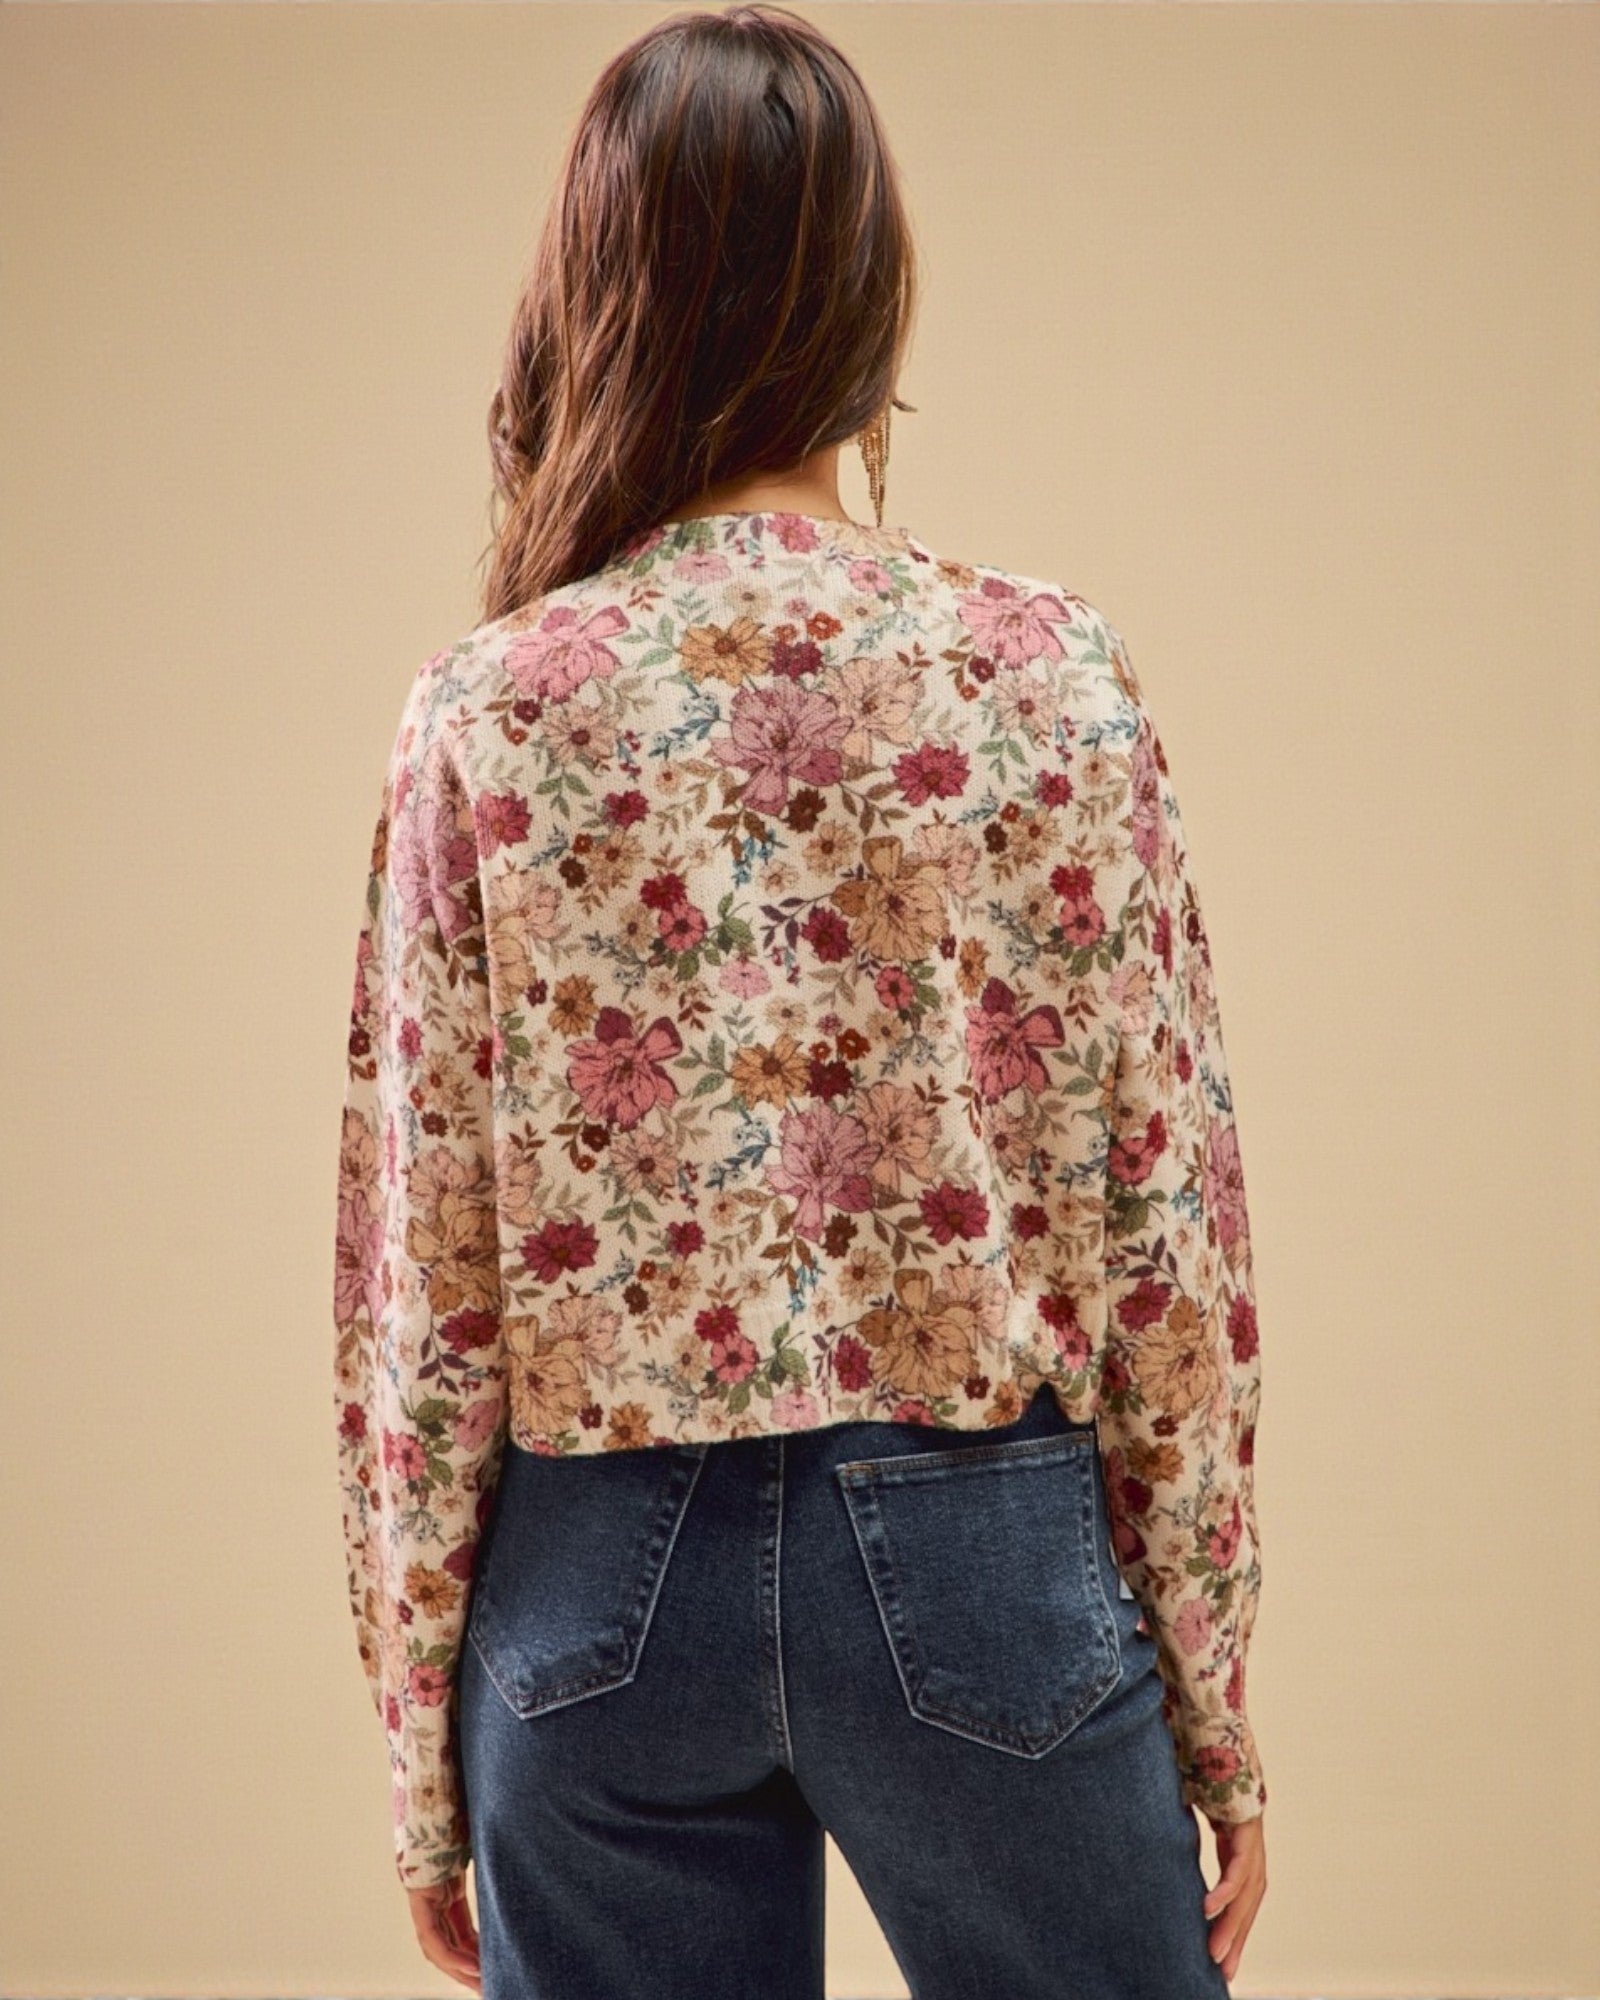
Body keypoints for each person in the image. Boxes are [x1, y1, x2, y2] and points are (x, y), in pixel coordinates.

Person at [331, 5, 1269, 1994]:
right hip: (978, 1553)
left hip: (594, 1598)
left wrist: (425, 1753)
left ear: (598, 285)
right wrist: (1209, 1694)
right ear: (869, 287)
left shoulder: (488, 710)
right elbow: (1162, 1231)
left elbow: (421, 1281)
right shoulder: (1044, 673)